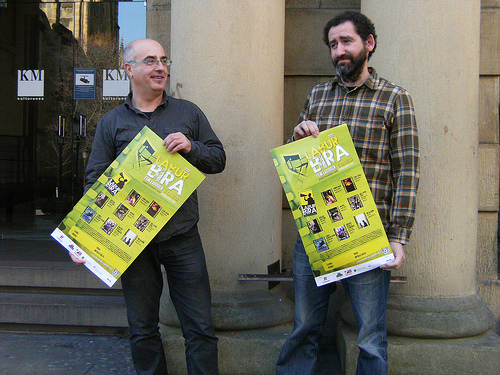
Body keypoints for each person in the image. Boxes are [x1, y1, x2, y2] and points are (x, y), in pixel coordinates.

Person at [275, 11, 419, 375]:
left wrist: (398, 237)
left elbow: (407, 171)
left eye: (347, 41)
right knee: (305, 326)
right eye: (333, 44)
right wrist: (297, 136)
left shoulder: (395, 99)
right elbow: (298, 164)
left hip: (368, 235)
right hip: (316, 232)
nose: (339, 50)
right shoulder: (317, 96)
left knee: (370, 337)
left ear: (368, 44)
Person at [70, 38, 225, 375]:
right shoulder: (112, 122)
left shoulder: (188, 113)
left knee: (199, 328)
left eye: (164, 61)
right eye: (151, 61)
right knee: (142, 331)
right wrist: (83, 236)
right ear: (129, 69)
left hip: (182, 238)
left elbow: (218, 159)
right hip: (132, 243)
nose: (160, 68)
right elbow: (96, 181)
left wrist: (192, 147)